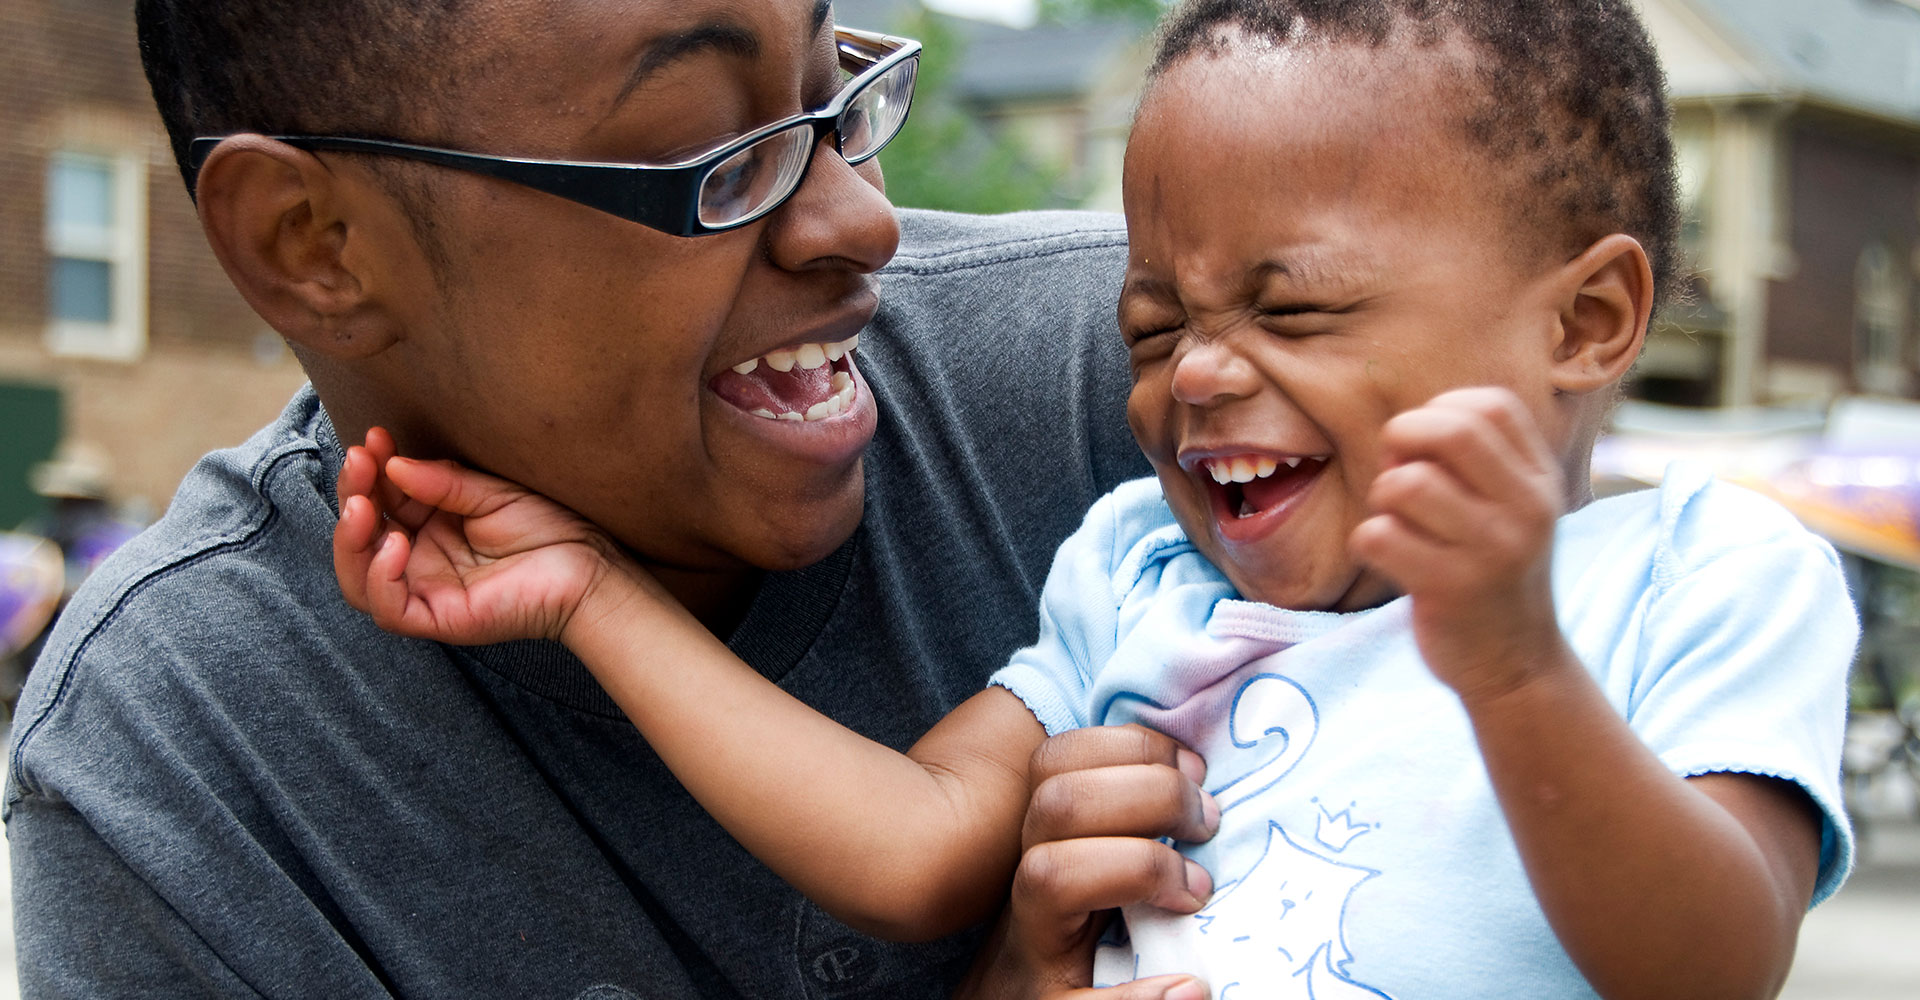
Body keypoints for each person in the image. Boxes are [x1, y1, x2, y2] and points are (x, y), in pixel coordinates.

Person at [333, 1, 1857, 997]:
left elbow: (1713, 966)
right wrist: (596, 599)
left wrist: (1516, 664)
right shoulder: (1139, 573)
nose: (1194, 379)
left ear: (1585, 324)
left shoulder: (1699, 573)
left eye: (1296, 309)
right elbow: (914, 845)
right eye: (1152, 327)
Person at [4, 2, 1216, 999]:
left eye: (834, 97)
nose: (861, 218)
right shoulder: (180, 773)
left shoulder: (1171, 387)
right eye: (715, 155)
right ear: (313, 242)